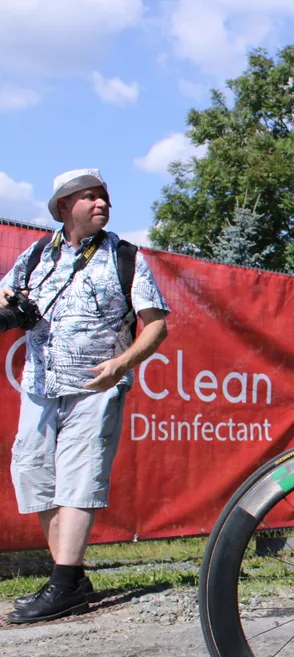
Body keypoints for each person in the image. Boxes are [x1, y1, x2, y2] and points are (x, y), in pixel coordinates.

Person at [2, 169, 169, 624]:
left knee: (79, 476)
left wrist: (122, 363)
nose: (102, 204)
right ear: (64, 207)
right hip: (38, 384)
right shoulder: (37, 254)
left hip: (96, 385)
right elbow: (4, 296)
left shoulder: (125, 256)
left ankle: (62, 582)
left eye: (104, 198)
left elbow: (156, 325)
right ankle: (70, 578)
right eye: (91, 198)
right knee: (33, 474)